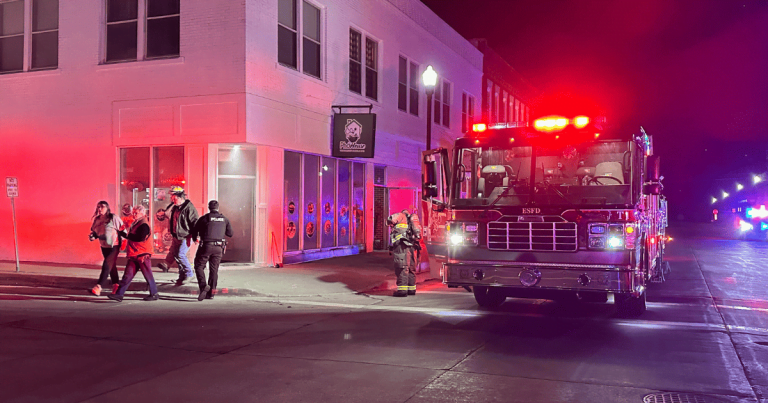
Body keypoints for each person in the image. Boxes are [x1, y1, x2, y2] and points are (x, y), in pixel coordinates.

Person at [108, 205, 159, 302]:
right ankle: (119, 294)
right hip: (135, 254)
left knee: (147, 275)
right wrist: (123, 233)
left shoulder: (144, 224)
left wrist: (127, 235)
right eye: (133, 213)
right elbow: (132, 236)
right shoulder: (137, 223)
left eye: (136, 213)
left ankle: (154, 293)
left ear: (142, 214)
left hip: (142, 254)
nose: (134, 215)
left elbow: (140, 238)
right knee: (127, 275)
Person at [190, 200, 233, 301]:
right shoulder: (224, 219)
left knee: (199, 266)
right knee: (214, 270)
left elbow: (194, 230)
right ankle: (211, 293)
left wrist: (195, 238)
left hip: (206, 246)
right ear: (218, 208)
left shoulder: (204, 218)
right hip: (219, 248)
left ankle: (203, 286)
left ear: (209, 208)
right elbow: (230, 233)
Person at [159, 187, 199, 285]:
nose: (172, 199)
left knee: (181, 255)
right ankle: (182, 276)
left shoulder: (189, 208)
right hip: (177, 236)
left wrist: (196, 236)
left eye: (174, 197)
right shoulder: (176, 207)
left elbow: (195, 223)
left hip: (186, 236)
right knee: (177, 256)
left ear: (180, 197)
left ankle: (190, 274)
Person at [88, 201, 123, 296]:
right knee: (111, 266)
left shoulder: (113, 218)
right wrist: (92, 236)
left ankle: (98, 286)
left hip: (114, 246)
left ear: (107, 208)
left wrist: (123, 243)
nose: (100, 209)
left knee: (106, 265)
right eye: (98, 207)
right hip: (104, 246)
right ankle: (116, 286)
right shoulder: (97, 219)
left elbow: (122, 230)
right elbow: (95, 232)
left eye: (102, 207)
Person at [386, 209, 422, 297]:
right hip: (412, 246)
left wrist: (389, 222)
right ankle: (411, 289)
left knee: (402, 267)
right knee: (411, 268)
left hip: (402, 246)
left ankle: (402, 291)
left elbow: (390, 219)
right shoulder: (411, 222)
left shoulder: (400, 216)